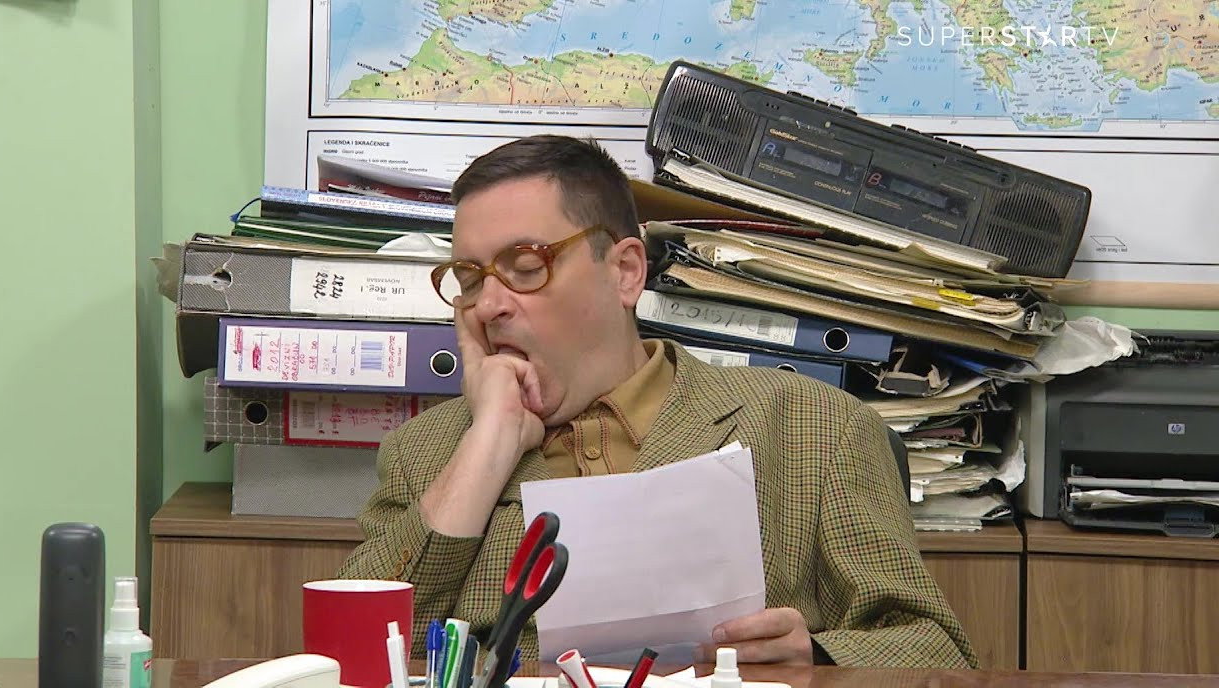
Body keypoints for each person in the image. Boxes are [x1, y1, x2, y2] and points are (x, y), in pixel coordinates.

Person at [338, 135, 977, 669]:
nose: (489, 305)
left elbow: (938, 650)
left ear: (625, 272)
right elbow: (350, 653)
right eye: (470, 279)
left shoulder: (811, 424)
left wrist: (818, 656)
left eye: (525, 266)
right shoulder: (428, 454)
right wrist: (488, 444)